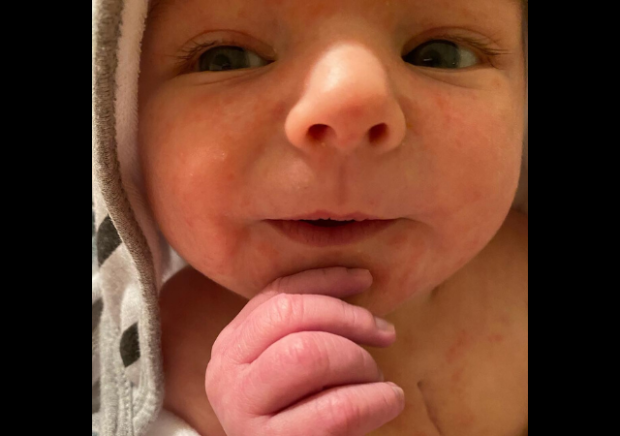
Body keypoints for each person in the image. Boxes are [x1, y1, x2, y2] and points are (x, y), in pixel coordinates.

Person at [92, 0, 529, 435]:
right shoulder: (170, 355)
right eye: (227, 58)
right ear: (124, 123)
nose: (348, 105)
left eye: (441, 55)